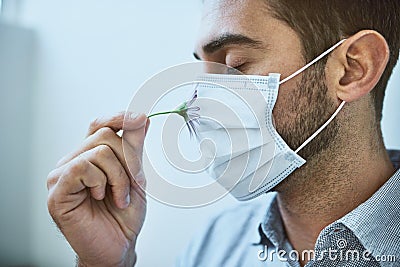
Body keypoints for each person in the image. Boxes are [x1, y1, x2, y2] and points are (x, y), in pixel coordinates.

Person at [46, 0, 400, 266]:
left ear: (354, 69)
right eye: (204, 71)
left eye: (234, 65)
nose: (198, 101)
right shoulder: (215, 244)